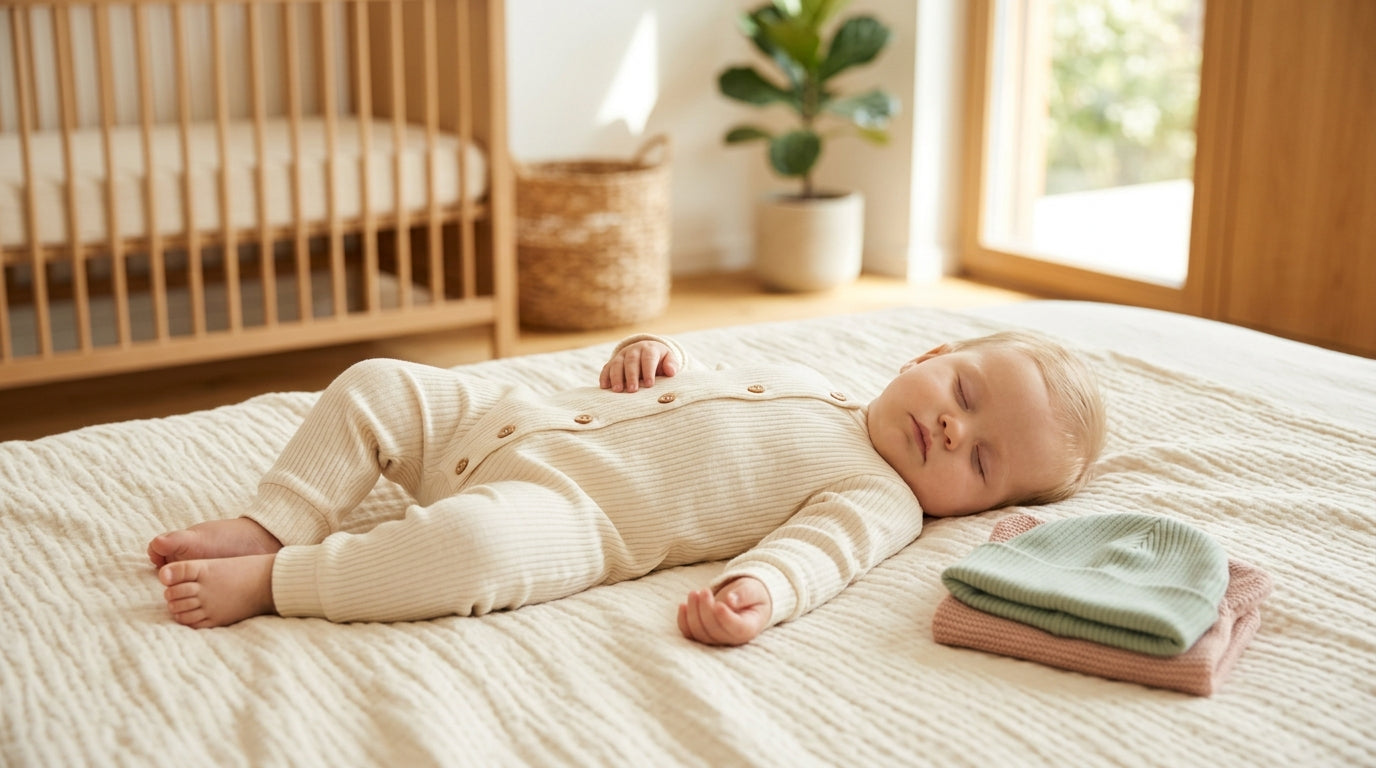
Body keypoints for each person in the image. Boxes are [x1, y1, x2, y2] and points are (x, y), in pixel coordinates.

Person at [148, 329, 1106, 645]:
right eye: (964, 394)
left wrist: (760, 593)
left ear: (980, 507)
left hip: (577, 516)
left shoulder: (882, 499)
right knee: (376, 383)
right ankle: (275, 521)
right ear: (929, 356)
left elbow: (822, 556)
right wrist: (651, 354)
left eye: (982, 462)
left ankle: (281, 579)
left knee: (474, 551)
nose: (954, 430)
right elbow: (699, 386)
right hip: (508, 418)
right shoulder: (818, 380)